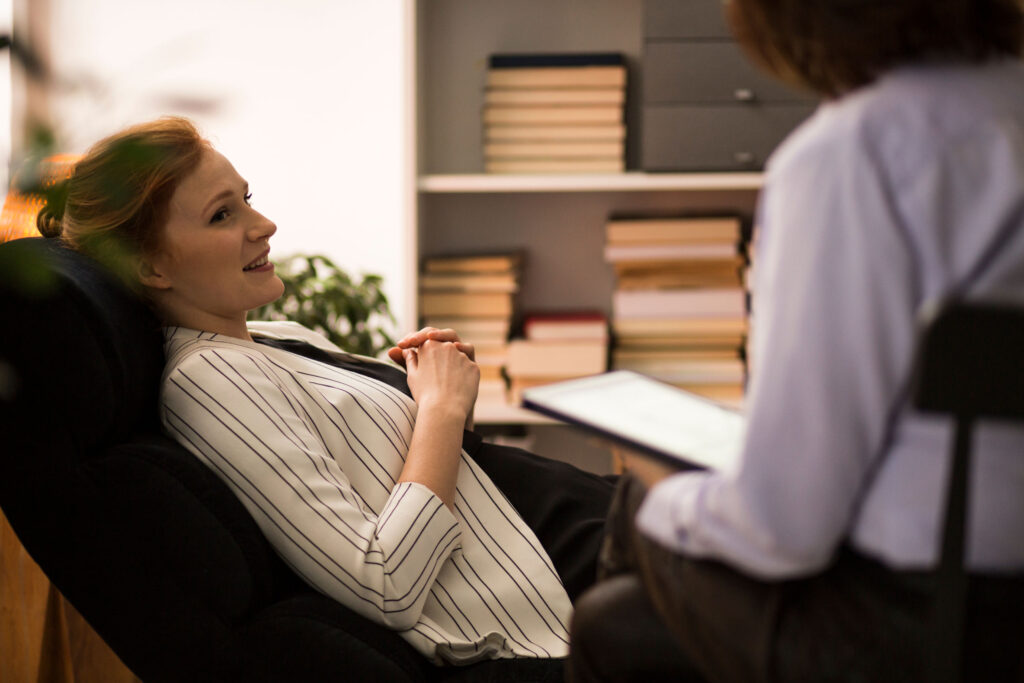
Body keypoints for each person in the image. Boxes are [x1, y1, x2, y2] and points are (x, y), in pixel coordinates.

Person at [36, 116, 615, 674]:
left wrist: (433, 387)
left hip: (573, 523)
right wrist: (440, 408)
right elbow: (387, 582)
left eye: (246, 198)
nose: (263, 225)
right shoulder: (209, 381)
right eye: (221, 215)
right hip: (565, 569)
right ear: (150, 267)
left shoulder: (272, 339)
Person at [569, 0, 1024, 681]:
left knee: (634, 531)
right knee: (625, 615)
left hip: (918, 624)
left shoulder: (851, 152)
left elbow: (787, 528)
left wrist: (664, 487)